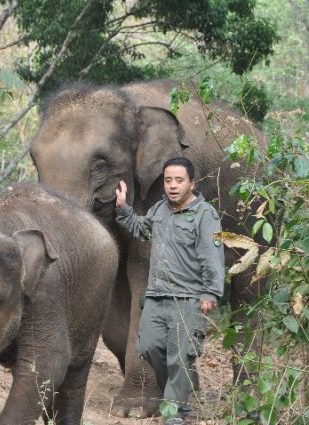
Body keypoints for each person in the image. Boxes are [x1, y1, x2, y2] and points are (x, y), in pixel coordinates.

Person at [114, 156, 225, 425]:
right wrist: (123, 209)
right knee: (149, 347)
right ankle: (178, 391)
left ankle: (175, 414)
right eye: (168, 180)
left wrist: (211, 292)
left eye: (179, 180)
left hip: (188, 298)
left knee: (180, 357)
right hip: (156, 295)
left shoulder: (205, 216)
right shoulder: (159, 210)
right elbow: (141, 230)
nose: (172, 186)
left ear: (191, 183)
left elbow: (213, 257)